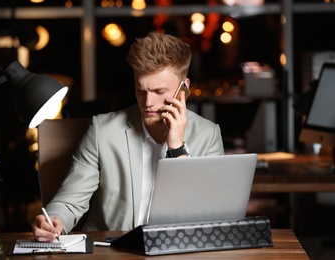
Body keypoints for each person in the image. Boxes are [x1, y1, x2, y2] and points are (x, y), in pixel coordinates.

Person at [32, 31, 224, 242]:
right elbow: (71, 200)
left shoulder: (208, 135)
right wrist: (55, 220)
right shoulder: (102, 130)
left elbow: (212, 216)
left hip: (178, 250)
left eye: (159, 91)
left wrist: (177, 148)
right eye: (140, 90)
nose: (148, 102)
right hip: (111, 252)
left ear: (183, 88)